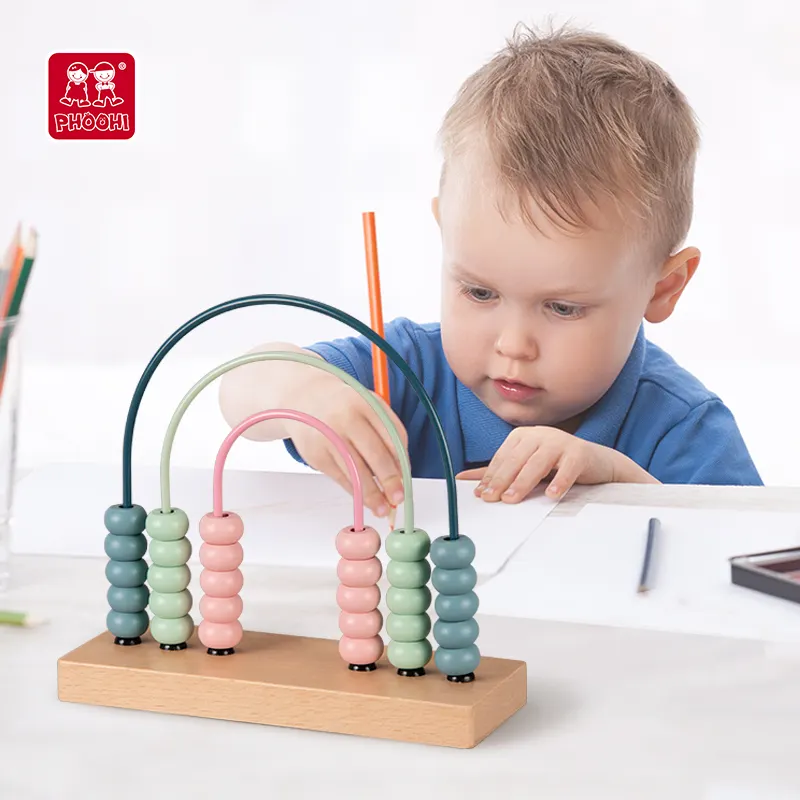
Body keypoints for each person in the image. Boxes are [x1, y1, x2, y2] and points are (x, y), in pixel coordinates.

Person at [218, 23, 762, 520]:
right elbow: (241, 384)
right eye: (479, 292)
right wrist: (305, 396)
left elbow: (744, 570)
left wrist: (622, 484)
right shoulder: (405, 373)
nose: (514, 344)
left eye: (562, 307)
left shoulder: (686, 430)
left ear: (663, 288)